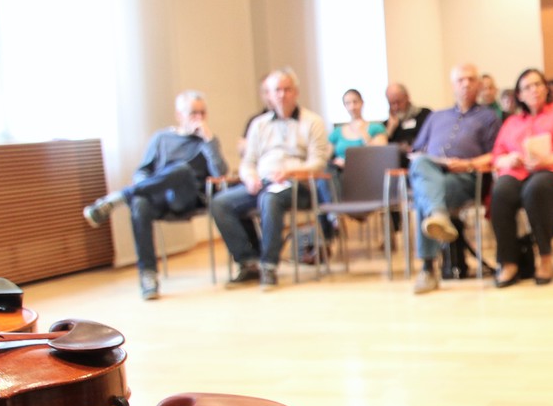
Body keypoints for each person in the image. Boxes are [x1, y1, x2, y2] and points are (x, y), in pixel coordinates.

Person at [83, 90, 227, 300]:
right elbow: (142, 171)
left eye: (202, 112)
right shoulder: (161, 138)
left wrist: (209, 140)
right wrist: (143, 184)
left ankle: (118, 198)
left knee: (181, 169)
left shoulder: (206, 141)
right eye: (193, 113)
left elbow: (220, 173)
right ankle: (148, 275)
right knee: (140, 203)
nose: (199, 118)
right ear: (179, 115)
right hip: (159, 198)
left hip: (187, 199)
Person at [209, 70, 331, 289]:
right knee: (220, 203)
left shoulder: (312, 122)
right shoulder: (259, 124)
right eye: (277, 90)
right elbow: (248, 161)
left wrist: (290, 172)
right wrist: (249, 177)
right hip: (262, 182)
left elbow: (318, 162)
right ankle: (248, 262)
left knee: (270, 198)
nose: (282, 95)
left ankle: (268, 266)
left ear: (296, 92)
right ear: (269, 95)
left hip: (297, 186)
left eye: (287, 89)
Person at [488, 68, 553, 288]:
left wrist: (548, 161)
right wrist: (509, 159)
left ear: (546, 88)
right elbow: (497, 155)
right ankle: (509, 262)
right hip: (519, 171)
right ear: (519, 95)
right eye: (527, 87)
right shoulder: (512, 122)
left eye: (538, 84)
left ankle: (545, 257)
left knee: (536, 188)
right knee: (501, 191)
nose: (534, 90)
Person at [410, 64, 501, 293]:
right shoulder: (435, 117)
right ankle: (439, 215)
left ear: (478, 84)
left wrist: (468, 163)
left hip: (467, 178)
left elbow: (497, 154)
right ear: (453, 85)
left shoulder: (489, 117)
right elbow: (416, 151)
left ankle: (427, 270)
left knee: (425, 195)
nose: (466, 84)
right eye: (461, 80)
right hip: (434, 172)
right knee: (422, 168)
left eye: (471, 79)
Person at [328, 88, 387, 163]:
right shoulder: (337, 132)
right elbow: (325, 157)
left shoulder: (376, 128)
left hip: (367, 167)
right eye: (348, 103)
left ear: (362, 102)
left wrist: (363, 133)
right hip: (340, 169)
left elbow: (382, 154)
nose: (352, 107)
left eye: (355, 102)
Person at [383, 83, 431, 163]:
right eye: (391, 103)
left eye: (398, 102)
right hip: (397, 161)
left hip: (421, 158)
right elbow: (382, 148)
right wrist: (390, 129)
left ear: (407, 97)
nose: (396, 107)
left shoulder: (425, 114)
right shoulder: (386, 125)